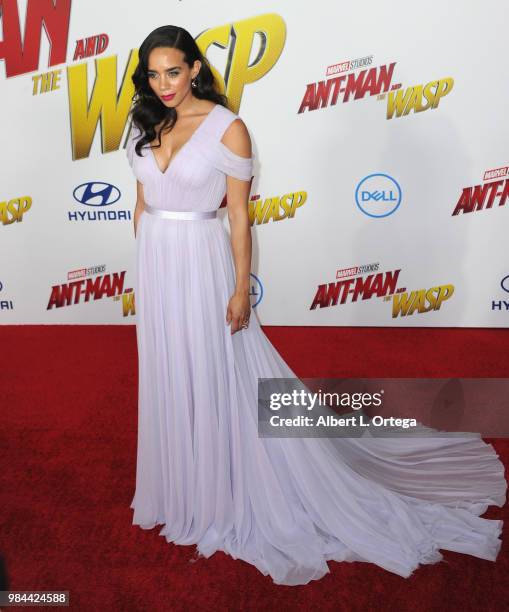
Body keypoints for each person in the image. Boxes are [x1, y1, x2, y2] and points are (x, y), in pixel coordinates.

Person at [125, 25, 506, 586]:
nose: (164, 84)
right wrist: (141, 270)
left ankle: (216, 487)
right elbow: (141, 202)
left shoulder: (228, 130)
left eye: (174, 71)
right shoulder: (142, 122)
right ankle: (178, 480)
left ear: (196, 69)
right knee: (168, 371)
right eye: (154, 74)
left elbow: (238, 217)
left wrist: (239, 287)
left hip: (201, 263)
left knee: (213, 371)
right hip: (157, 263)